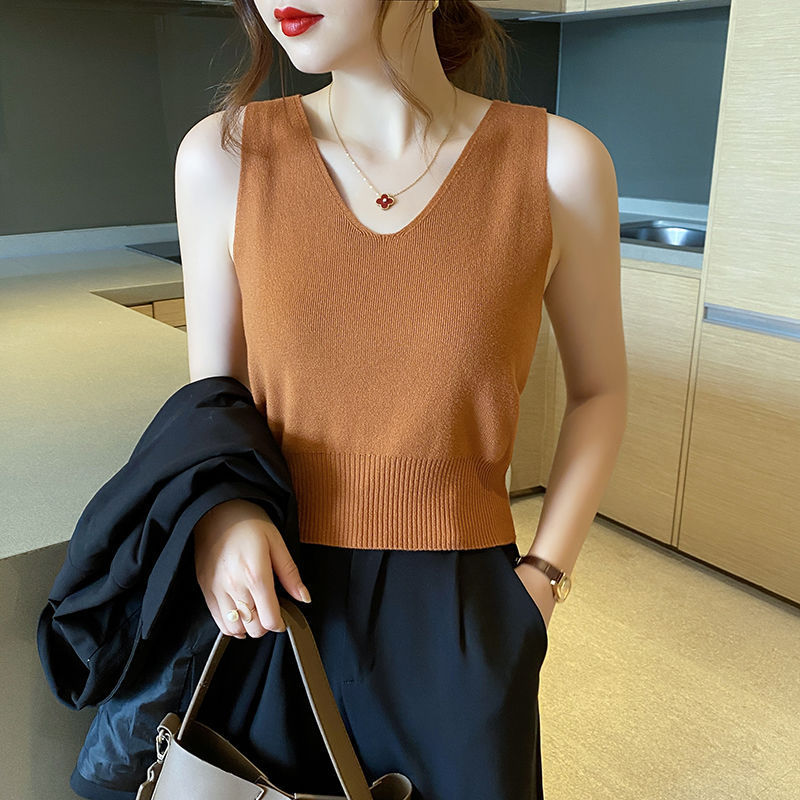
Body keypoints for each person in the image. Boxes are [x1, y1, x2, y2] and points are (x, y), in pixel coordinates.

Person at [173, 1, 627, 798]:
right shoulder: (226, 154)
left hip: (464, 616)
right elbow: (214, 400)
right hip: (275, 601)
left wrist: (543, 580)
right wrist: (222, 515)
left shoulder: (559, 163)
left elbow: (601, 390)